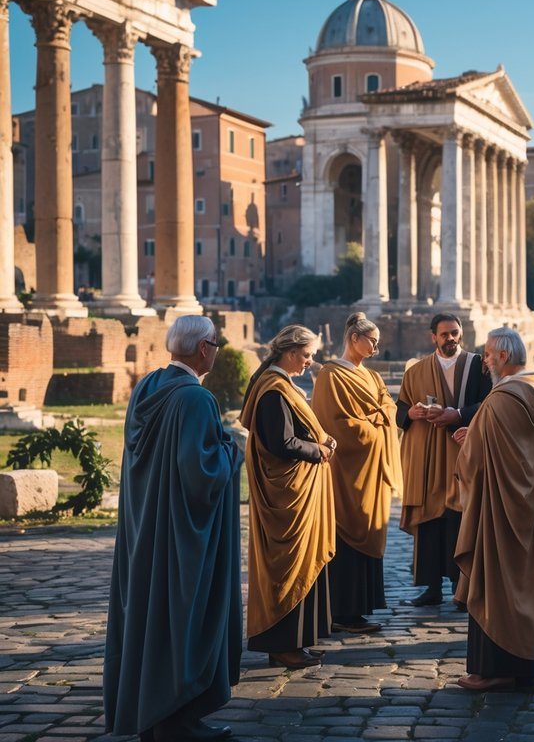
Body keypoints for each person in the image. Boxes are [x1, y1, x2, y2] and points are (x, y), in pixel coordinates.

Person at [104, 316, 241, 742]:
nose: (216, 351)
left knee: (150, 616)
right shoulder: (196, 400)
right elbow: (200, 474)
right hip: (183, 535)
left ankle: (157, 713)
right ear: (203, 349)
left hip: (147, 524)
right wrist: (231, 448)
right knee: (183, 616)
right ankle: (176, 720)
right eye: (215, 344)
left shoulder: (147, 387)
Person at [451, 327, 534, 692]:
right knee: (524, 583)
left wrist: (470, 441)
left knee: (496, 584)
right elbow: (525, 448)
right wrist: (478, 433)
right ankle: (522, 667)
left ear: (502, 356)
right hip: (531, 508)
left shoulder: (500, 400)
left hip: (499, 510)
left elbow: (477, 462)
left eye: (486, 354)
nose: (484, 361)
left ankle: (494, 669)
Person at [242, 325, 337, 668]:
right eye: (308, 354)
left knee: (300, 564)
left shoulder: (279, 385)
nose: (311, 361)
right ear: (291, 352)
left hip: (297, 491)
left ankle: (296, 643)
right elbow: (281, 443)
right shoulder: (273, 390)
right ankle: (283, 645)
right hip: (286, 496)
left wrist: (321, 442)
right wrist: (319, 450)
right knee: (286, 567)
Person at [311, 312, 400, 635]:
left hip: (372, 473)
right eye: (372, 341)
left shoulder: (373, 378)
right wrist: (375, 427)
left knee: (371, 530)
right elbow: (335, 423)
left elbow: (389, 406)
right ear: (354, 339)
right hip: (346, 473)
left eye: (377, 342)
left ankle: (360, 609)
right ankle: (344, 611)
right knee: (345, 537)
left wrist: (380, 418)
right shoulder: (330, 376)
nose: (376, 347)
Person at [397, 313, 492, 607]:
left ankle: (460, 586)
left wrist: (458, 414)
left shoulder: (478, 366)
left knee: (459, 518)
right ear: (433, 337)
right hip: (427, 457)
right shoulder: (416, 371)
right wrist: (412, 414)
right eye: (444, 334)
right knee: (430, 521)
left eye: (454, 333)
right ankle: (432, 587)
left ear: (461, 334)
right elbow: (401, 411)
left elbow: (489, 403)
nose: (450, 338)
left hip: (462, 451)